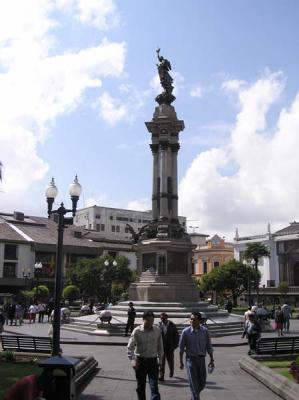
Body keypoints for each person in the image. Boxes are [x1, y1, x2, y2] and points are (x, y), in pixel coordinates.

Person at [127, 310, 163, 400]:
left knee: (154, 386)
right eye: (148, 320)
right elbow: (130, 347)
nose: (150, 322)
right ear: (143, 320)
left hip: (153, 361)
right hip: (140, 361)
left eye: (152, 320)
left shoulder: (157, 330)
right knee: (140, 387)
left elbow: (160, 347)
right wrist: (133, 361)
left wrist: (160, 361)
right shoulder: (137, 331)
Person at [179, 311, 214, 400]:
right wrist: (181, 362)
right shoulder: (185, 332)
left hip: (201, 360)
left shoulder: (205, 331)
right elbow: (181, 348)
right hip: (190, 360)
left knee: (202, 383)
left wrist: (211, 359)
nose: (192, 321)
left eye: (194, 319)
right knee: (194, 384)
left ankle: (193, 397)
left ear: (199, 321)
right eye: (191, 319)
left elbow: (209, 346)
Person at [158, 312, 179, 381]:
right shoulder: (158, 326)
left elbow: (176, 336)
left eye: (163, 318)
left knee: (170, 361)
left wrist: (175, 346)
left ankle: (171, 370)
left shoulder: (172, 325)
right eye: (161, 318)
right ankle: (161, 376)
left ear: (167, 318)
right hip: (161, 347)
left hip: (170, 347)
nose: (162, 320)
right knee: (161, 362)